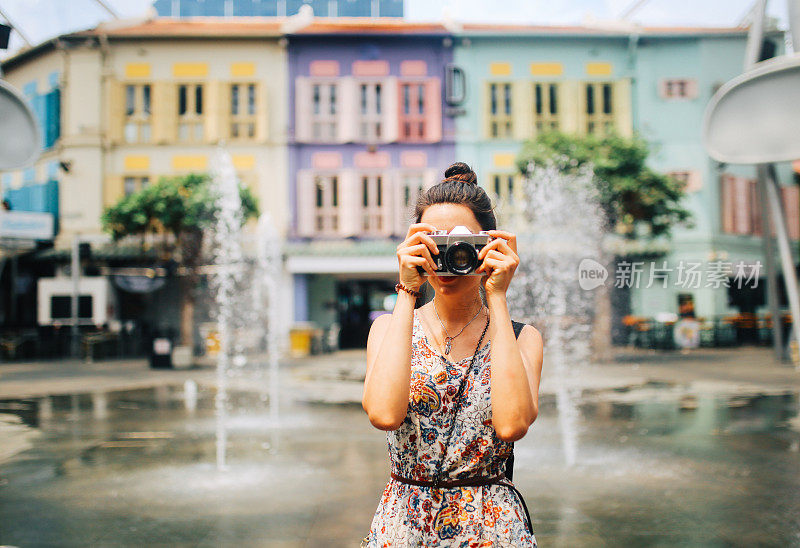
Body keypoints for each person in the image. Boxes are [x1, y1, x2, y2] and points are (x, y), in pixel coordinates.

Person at [361, 162, 544, 547]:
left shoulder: (521, 337)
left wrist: (497, 294)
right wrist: (407, 291)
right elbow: (384, 414)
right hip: (405, 525)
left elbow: (511, 426)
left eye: (460, 243)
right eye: (433, 240)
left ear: (490, 246)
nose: (447, 254)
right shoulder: (389, 329)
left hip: (490, 528)